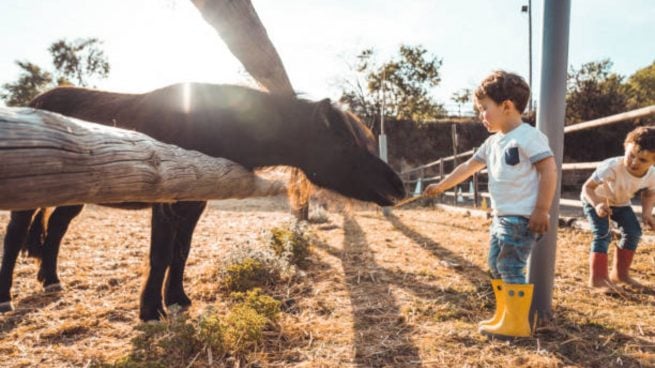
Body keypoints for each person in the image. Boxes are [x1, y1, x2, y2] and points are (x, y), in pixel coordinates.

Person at [423, 71, 557, 338]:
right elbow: (467, 167)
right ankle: (505, 315)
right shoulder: (492, 142)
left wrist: (542, 209)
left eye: (485, 108)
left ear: (506, 106)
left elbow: (549, 170)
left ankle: (518, 324)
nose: (481, 115)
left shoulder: (528, 136)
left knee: (510, 266)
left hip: (521, 217)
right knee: (496, 265)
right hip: (501, 217)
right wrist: (441, 186)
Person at [581, 126, 655, 294]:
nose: (634, 162)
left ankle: (620, 274)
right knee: (603, 233)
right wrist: (597, 204)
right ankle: (598, 279)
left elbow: (650, 194)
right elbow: (588, 188)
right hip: (597, 199)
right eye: (631, 155)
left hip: (620, 203)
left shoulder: (652, 175)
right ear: (625, 146)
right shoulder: (612, 167)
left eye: (643, 160)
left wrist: (647, 213)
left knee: (634, 232)